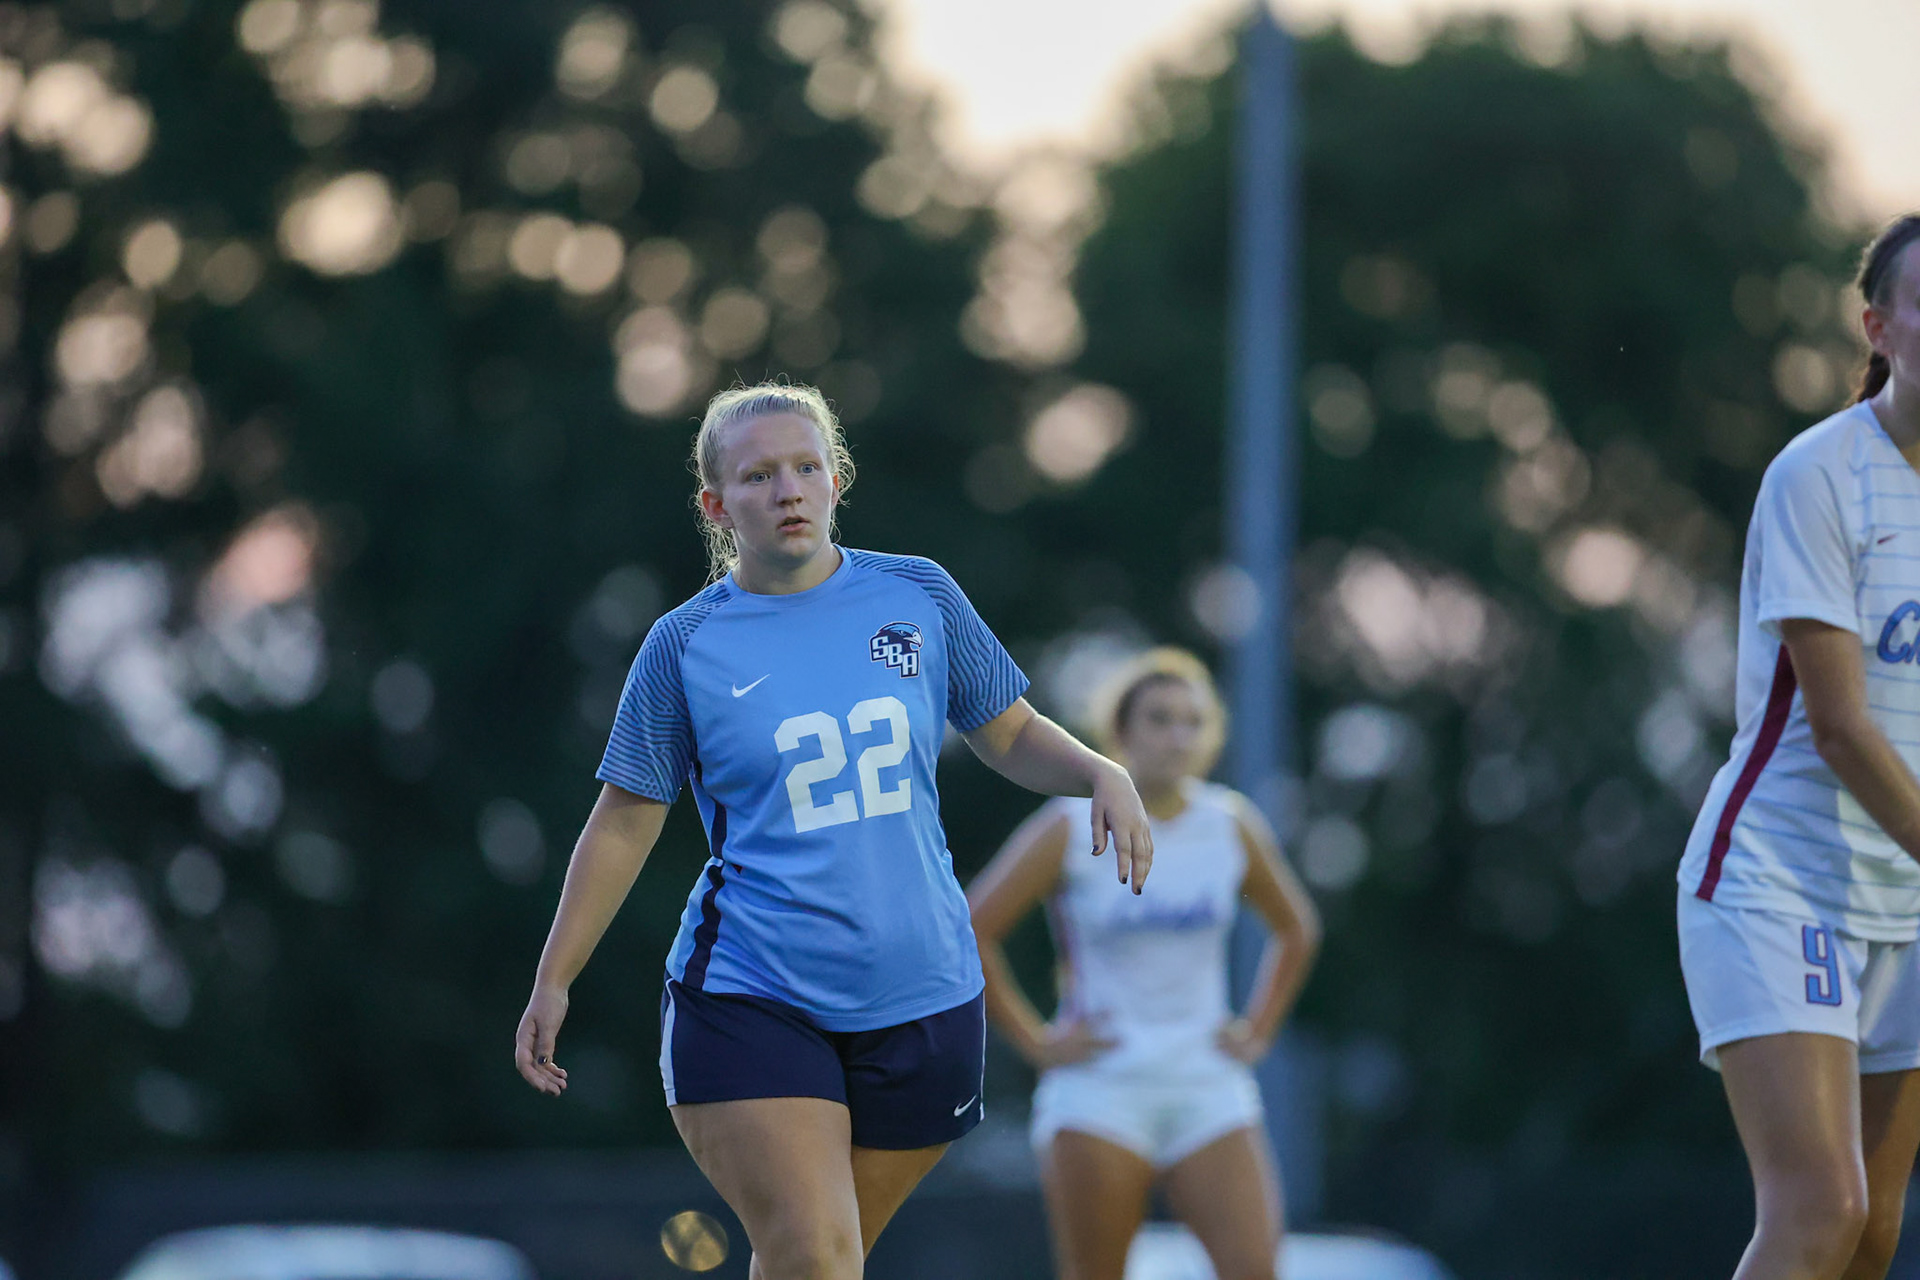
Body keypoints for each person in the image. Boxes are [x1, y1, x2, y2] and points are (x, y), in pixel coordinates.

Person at [511, 382, 1155, 1280]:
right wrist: (555, 978)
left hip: (926, 997)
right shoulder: (684, 645)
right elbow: (624, 821)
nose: (788, 490)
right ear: (716, 503)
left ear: (837, 480)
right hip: (753, 994)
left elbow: (1007, 732)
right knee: (817, 1253)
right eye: (759, 475)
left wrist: (1099, 770)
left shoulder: (917, 593)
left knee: (818, 1260)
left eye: (807, 467)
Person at [1677, 213, 1920, 1280]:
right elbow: (1838, 725)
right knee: (1820, 1208)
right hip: (1782, 880)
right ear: (1883, 325)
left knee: (1871, 1235)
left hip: (1906, 900)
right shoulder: (1820, 474)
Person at [968, 648, 1321, 1280]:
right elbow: (973, 930)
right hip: (1102, 1088)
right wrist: (1038, 1043)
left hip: (1207, 1087)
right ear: (1122, 733)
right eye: (1160, 720)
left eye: (1193, 721)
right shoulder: (1069, 824)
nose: (1178, 737)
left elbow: (1297, 930)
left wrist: (1258, 1030)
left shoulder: (1229, 824)